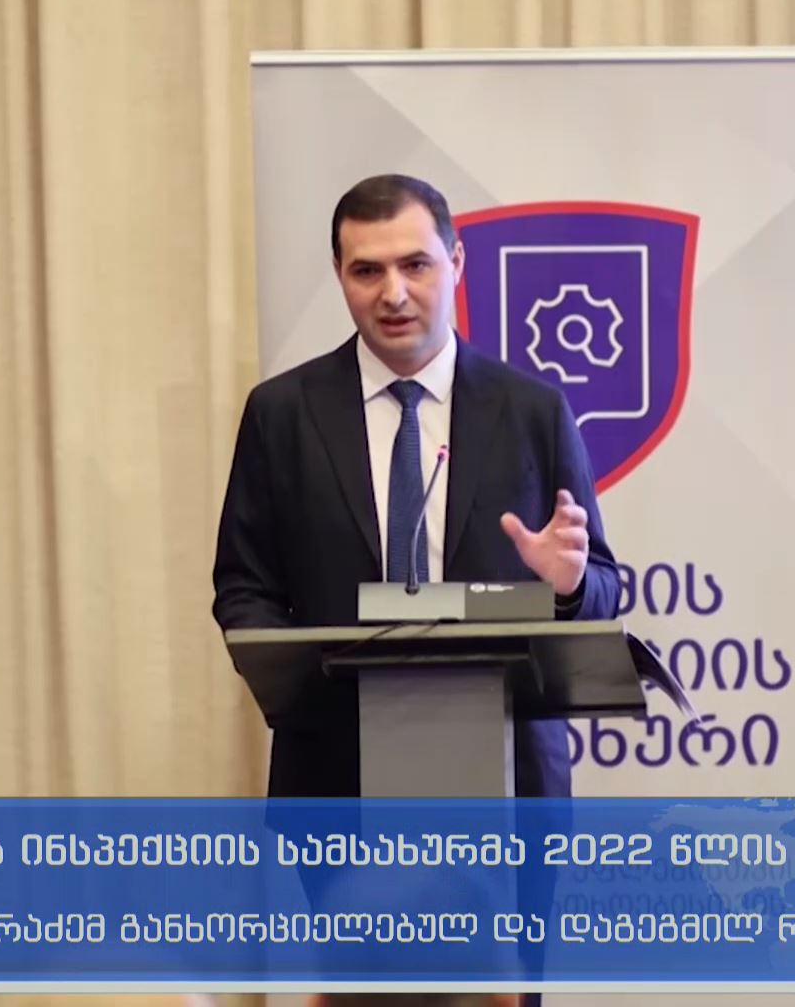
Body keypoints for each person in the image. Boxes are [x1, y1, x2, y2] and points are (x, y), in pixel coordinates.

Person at [212, 173, 621, 801]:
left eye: (415, 265)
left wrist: (567, 588)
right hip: (336, 773)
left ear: (455, 262)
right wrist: (305, 684)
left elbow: (602, 590)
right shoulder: (282, 414)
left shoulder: (532, 412)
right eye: (367, 271)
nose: (393, 294)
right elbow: (244, 586)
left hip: (507, 782)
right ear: (339, 274)